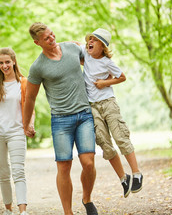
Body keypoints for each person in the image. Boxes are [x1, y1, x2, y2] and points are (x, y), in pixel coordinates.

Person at [23, 22, 98, 215]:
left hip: (84, 115)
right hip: (61, 120)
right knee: (64, 166)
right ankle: (68, 212)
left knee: (88, 163)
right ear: (37, 42)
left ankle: (87, 198)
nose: (51, 38)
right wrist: (26, 124)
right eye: (46, 38)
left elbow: (93, 61)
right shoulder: (38, 67)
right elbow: (30, 97)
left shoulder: (72, 48)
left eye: (51, 34)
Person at [81, 28, 143, 198]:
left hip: (108, 103)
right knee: (104, 144)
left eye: (94, 40)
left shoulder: (107, 62)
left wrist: (104, 83)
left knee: (120, 136)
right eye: (89, 40)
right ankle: (123, 178)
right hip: (93, 106)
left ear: (103, 46)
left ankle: (137, 173)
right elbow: (73, 46)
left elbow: (122, 77)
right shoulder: (85, 56)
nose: (90, 42)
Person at [0, 47, 33, 215]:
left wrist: (30, 125)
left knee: (18, 171)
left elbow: (29, 108)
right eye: (1, 63)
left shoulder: (23, 82)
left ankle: (23, 211)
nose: (4, 66)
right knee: (3, 172)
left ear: (14, 61)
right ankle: (8, 209)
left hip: (16, 131)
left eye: (7, 62)